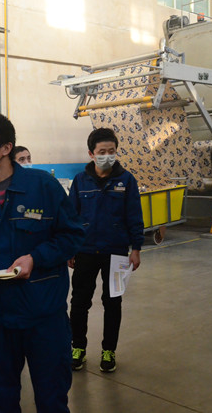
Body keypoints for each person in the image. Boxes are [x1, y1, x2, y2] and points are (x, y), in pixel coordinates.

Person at [0, 113, 85, 413]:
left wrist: (35, 258)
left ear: (6, 148)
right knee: (2, 400)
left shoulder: (43, 187)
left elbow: (72, 235)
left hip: (44, 316)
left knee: (52, 399)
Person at [68, 127, 144, 373]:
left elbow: (134, 216)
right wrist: (70, 248)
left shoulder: (127, 180)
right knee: (79, 302)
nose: (107, 156)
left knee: (113, 303)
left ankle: (109, 351)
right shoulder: (80, 181)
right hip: (85, 251)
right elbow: (71, 217)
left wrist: (136, 248)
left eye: (111, 151)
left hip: (117, 252)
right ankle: (78, 347)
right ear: (91, 153)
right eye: (102, 152)